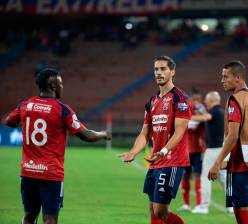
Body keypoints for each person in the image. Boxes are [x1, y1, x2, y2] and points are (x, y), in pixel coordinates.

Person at [2, 68, 112, 224]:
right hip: (51, 174)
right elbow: (87, 135)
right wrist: (104, 134)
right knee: (50, 219)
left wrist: (28, 119)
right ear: (52, 86)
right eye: (60, 83)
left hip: (28, 171)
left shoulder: (25, 105)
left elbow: (9, 122)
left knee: (29, 215)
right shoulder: (62, 110)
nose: (62, 87)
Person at [118, 56, 191, 224]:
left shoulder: (180, 99)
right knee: (152, 208)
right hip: (155, 162)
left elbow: (179, 132)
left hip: (172, 161)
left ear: (172, 72)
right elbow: (144, 133)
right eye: (156, 69)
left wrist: (164, 151)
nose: (159, 72)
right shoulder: (151, 101)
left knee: (160, 211)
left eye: (163, 69)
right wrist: (134, 152)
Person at [208, 61, 248, 224]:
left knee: (241, 209)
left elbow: (233, 135)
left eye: (225, 76)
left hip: (241, 164)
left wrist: (218, 161)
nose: (222, 80)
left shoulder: (235, 100)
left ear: (237, 78)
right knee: (243, 207)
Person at [189, 91, 233, 215]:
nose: (205, 102)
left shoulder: (215, 111)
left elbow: (205, 117)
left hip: (213, 150)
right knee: (223, 178)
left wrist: (188, 117)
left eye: (207, 100)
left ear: (212, 100)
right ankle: (232, 206)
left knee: (206, 177)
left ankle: (203, 206)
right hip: (222, 149)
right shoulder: (220, 111)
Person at [178, 88, 206, 212]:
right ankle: (186, 204)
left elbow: (205, 127)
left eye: (199, 100)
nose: (197, 102)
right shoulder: (184, 111)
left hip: (197, 150)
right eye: (195, 100)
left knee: (198, 175)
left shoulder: (202, 112)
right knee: (185, 175)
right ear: (190, 100)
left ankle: (199, 204)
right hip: (185, 150)